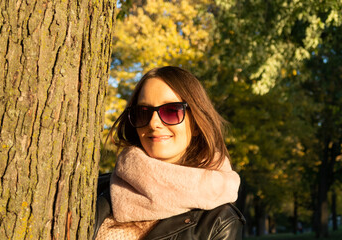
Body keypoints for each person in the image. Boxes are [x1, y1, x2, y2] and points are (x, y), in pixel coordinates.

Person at [94, 66, 245, 239]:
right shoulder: (100, 190)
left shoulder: (219, 222)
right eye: (143, 113)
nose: (153, 123)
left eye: (171, 111)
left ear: (196, 123)